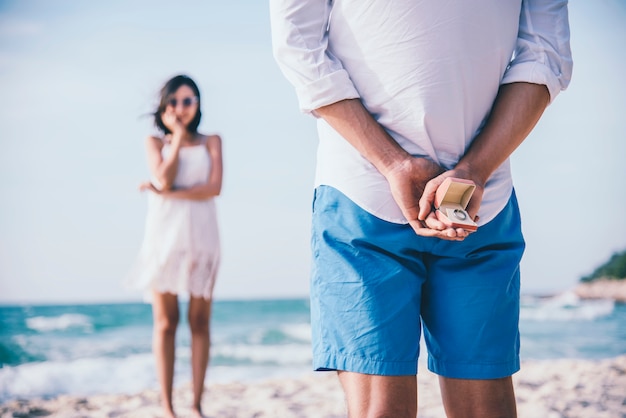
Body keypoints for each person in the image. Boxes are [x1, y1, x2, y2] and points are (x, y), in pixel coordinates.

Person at [270, 1, 572, 416]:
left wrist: (476, 169)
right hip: (363, 196)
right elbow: (298, 44)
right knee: (381, 410)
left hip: (480, 204)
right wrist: (392, 162)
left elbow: (545, 53)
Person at [127, 74, 223, 418]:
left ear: (198, 104)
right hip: (164, 238)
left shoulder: (213, 140)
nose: (181, 108)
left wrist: (164, 192)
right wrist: (179, 138)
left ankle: (196, 404)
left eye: (189, 100)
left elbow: (213, 188)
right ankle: (167, 407)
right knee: (166, 323)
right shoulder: (154, 143)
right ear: (164, 107)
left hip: (203, 237)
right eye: (175, 102)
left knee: (200, 323)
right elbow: (164, 176)